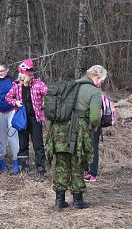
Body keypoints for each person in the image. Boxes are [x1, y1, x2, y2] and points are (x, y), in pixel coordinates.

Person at [46, 65, 107, 209]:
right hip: (78, 133)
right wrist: (95, 125)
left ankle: (59, 201)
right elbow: (94, 117)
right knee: (78, 163)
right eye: (101, 81)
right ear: (96, 77)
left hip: (59, 131)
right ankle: (78, 201)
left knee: (61, 164)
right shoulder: (94, 92)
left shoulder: (71, 85)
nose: (101, 84)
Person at [5, 58, 47, 182]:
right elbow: (8, 97)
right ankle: (23, 167)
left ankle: (40, 170)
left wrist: (44, 102)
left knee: (38, 145)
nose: (20, 74)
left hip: (35, 118)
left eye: (21, 72)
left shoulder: (38, 84)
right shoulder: (16, 85)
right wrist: (15, 102)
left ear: (26, 73)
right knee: (23, 144)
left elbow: (47, 92)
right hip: (22, 119)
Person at [0, 62, 19, 174]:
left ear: (7, 70)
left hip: (12, 111)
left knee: (13, 137)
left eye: (2, 70)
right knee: (2, 138)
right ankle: (1, 162)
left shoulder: (13, 80)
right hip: (1, 112)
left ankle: (16, 163)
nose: (0, 73)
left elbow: (21, 90)